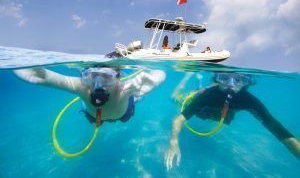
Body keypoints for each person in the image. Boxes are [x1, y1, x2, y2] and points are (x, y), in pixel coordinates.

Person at [164, 72, 300, 170]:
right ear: (217, 79)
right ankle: (187, 76)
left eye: (238, 80)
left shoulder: (248, 100)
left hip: (219, 113)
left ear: (247, 82)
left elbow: (276, 128)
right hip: (204, 109)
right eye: (224, 78)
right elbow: (179, 118)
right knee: (172, 98)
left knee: (224, 116)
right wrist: (173, 141)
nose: (230, 85)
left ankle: (201, 84)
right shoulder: (209, 95)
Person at [14, 67, 166, 126]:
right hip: (94, 116)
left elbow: (160, 73)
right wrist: (34, 74)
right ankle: (84, 105)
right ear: (84, 76)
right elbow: (48, 76)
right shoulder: (82, 86)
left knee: (134, 96)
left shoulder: (126, 87)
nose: (97, 84)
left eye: (107, 77)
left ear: (118, 78)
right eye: (91, 76)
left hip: (123, 113)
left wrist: (154, 81)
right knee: (90, 113)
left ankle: (138, 98)